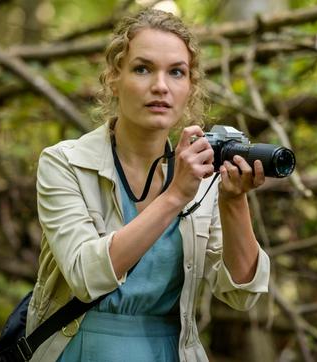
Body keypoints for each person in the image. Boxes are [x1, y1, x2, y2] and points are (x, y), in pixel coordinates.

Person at [25, 8, 270, 362]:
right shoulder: (65, 163)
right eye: (142, 69)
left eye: (176, 72)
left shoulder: (201, 174)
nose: (160, 86)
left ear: (190, 86)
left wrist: (233, 203)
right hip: (80, 350)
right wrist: (174, 196)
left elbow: (241, 295)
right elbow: (85, 275)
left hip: (169, 352)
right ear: (114, 78)